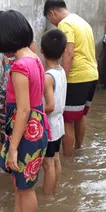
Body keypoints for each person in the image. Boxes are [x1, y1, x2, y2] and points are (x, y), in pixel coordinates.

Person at [0, 10, 50, 212]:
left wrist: (14, 148)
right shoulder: (34, 58)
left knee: (26, 186)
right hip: (36, 126)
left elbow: (24, 109)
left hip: (27, 129)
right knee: (20, 179)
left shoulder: (19, 68)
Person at [44, 0, 99, 157]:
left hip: (77, 78)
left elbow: (69, 53)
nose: (52, 23)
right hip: (92, 75)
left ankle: (68, 160)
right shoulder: (82, 22)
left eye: (49, 18)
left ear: (52, 13)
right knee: (80, 115)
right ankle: (79, 149)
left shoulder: (65, 24)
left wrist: (63, 80)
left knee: (67, 120)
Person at [0, 11, 38, 151]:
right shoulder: (31, 59)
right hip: (11, 99)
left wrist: (13, 148)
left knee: (16, 139)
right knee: (5, 132)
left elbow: (24, 109)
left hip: (18, 102)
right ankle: (5, 164)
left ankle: (10, 156)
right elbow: (5, 74)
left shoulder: (21, 64)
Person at [40, 29, 67, 199]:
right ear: (63, 52)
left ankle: (47, 197)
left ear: (41, 50)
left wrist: (33, 112)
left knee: (47, 164)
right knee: (56, 159)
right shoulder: (62, 71)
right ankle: (55, 189)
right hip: (59, 123)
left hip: (49, 125)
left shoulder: (47, 77)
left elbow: (49, 105)